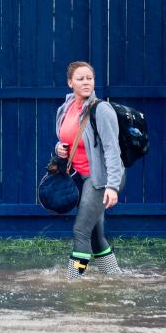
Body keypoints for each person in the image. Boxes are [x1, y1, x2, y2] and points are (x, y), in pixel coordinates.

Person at [54, 61, 124, 279]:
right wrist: (59, 148)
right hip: (79, 177)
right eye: (80, 78)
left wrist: (112, 186)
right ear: (69, 83)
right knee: (95, 235)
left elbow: (113, 150)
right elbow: (65, 138)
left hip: (99, 179)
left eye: (89, 78)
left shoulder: (101, 110)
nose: (86, 82)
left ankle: (73, 281)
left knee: (80, 231)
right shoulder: (65, 108)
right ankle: (114, 277)